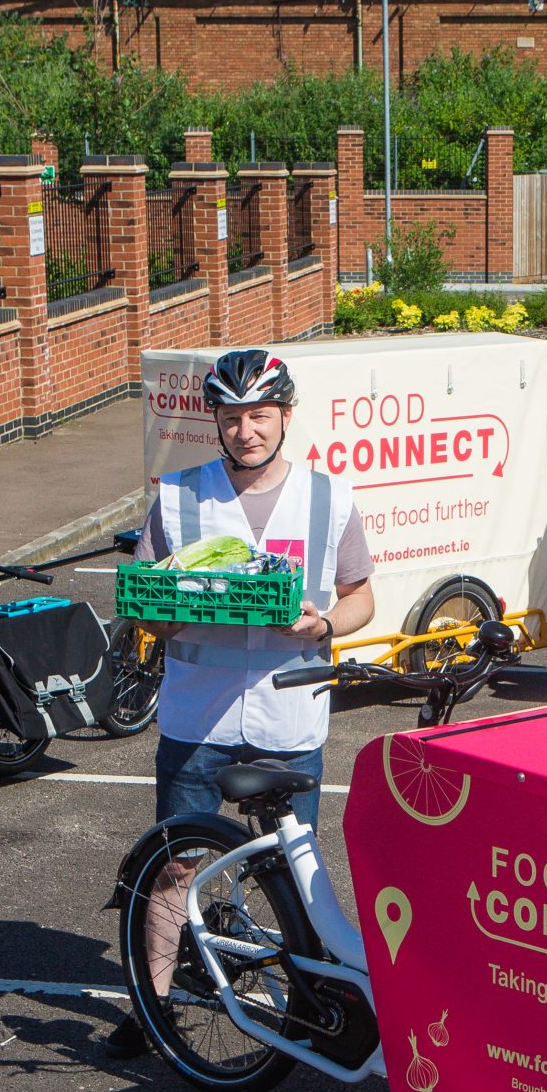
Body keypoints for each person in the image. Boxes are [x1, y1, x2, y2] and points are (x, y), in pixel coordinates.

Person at [134, 348, 376, 828]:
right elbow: (145, 607)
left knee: (292, 869)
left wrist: (322, 625)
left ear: (286, 416)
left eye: (259, 416)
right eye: (231, 418)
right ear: (217, 422)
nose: (245, 433)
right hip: (195, 720)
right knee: (176, 866)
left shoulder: (330, 497)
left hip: (290, 720)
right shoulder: (177, 496)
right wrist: (171, 617)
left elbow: (361, 598)